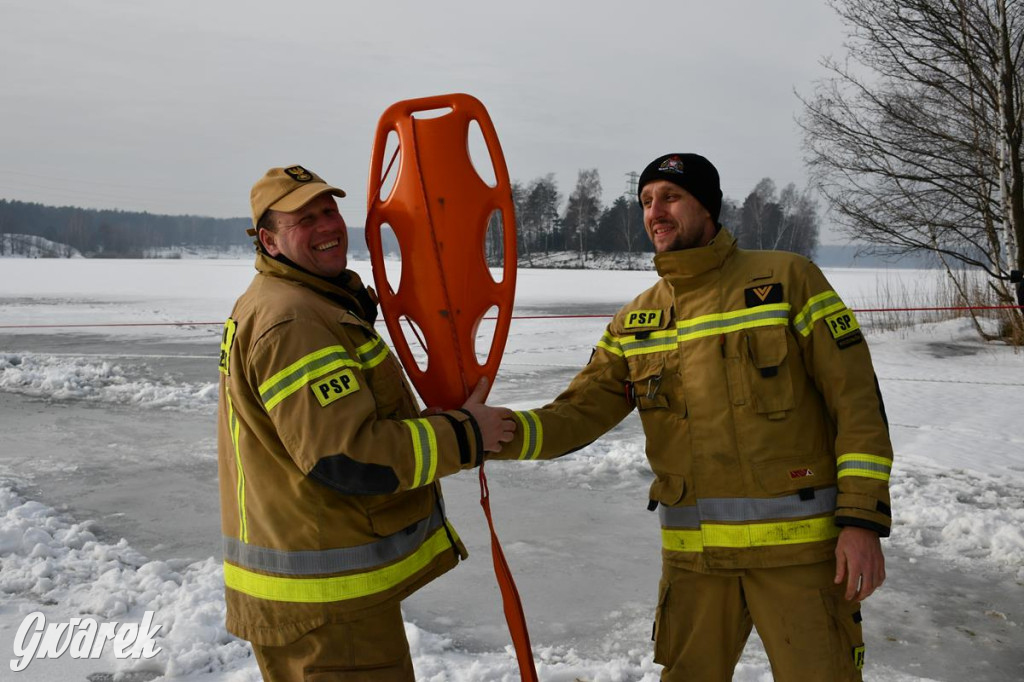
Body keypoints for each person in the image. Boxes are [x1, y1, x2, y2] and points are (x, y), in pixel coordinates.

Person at [491, 153, 893, 681]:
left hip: (800, 559)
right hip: (694, 565)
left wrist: (862, 522)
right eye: (646, 201)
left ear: (707, 207)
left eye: (671, 197)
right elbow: (575, 415)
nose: (655, 211)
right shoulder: (635, 321)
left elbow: (857, 404)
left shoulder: (788, 280)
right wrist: (490, 432)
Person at [216, 165, 516, 681]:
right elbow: (347, 455)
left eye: (329, 210)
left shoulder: (303, 303)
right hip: (327, 608)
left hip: (320, 597)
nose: (327, 225)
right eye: (304, 219)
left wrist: (432, 424)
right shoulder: (294, 321)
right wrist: (465, 436)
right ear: (269, 240)